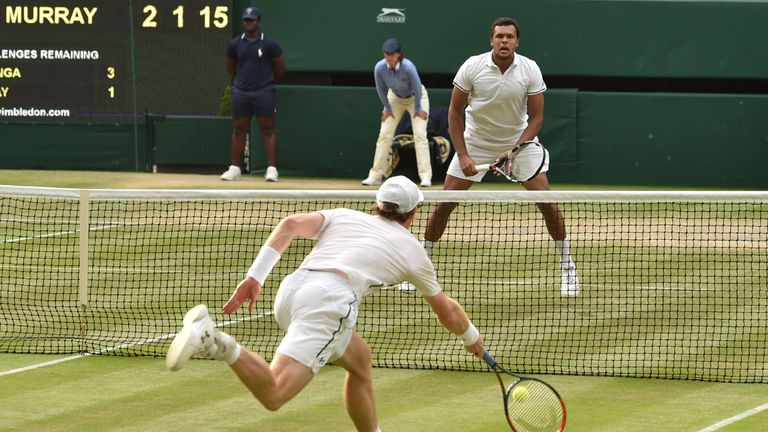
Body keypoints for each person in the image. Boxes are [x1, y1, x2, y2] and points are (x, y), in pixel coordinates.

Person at [166, 176, 485, 432]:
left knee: (360, 360)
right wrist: (473, 340)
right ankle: (215, 340)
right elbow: (448, 311)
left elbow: (290, 224)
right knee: (275, 394)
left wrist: (255, 277)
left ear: (377, 205)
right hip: (328, 303)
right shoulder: (414, 252)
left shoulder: (345, 215)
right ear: (413, 214)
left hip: (292, 291)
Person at [420, 17, 580, 297]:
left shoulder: (529, 69)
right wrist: (464, 154)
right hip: (476, 142)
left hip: (518, 142)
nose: (504, 41)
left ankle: (567, 267)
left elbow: (537, 118)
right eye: (499, 37)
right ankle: (421, 269)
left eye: (509, 37)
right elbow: (454, 114)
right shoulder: (472, 66)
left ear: (517, 42)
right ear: (491, 40)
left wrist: (515, 149)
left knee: (547, 204)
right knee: (444, 205)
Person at [221, 6, 285, 182]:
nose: (248, 23)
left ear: (259, 22)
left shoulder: (269, 44)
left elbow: (280, 67)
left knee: (268, 130)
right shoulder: (235, 44)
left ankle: (271, 170)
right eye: (246, 20)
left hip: (264, 92)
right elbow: (230, 67)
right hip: (241, 92)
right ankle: (234, 169)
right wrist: (241, 82)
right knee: (239, 129)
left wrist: (267, 82)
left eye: (252, 20)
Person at [362, 38, 432, 188]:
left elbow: (418, 87)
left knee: (420, 135)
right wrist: (387, 108)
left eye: (392, 54)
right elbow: (381, 89)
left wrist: (419, 108)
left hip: (416, 98)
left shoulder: (408, 67)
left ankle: (425, 177)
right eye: (386, 54)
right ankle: (375, 176)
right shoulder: (379, 68)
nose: (389, 57)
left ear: (398, 54)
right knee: (384, 135)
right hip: (394, 99)